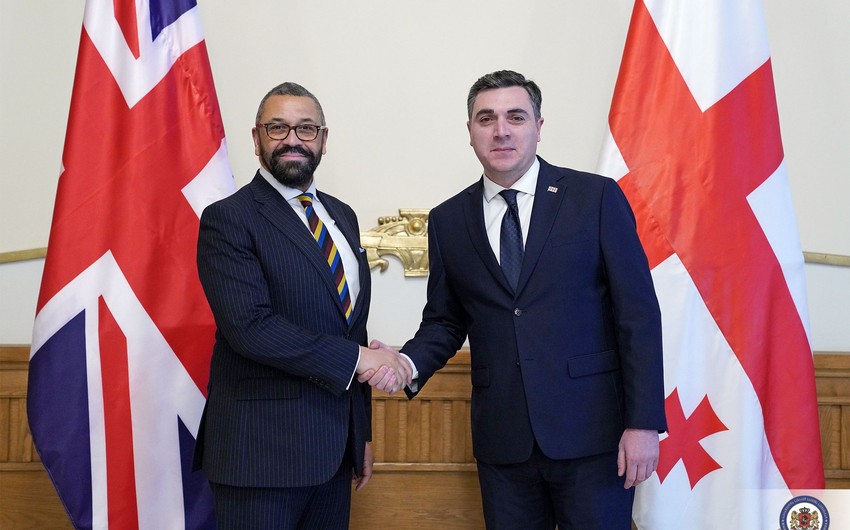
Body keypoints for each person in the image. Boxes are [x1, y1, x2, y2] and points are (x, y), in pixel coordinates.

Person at [364, 70, 667, 528]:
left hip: (593, 436)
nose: (501, 130)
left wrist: (642, 423)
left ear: (539, 126)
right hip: (504, 442)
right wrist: (405, 363)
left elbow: (637, 316)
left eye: (516, 117)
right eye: (486, 118)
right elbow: (446, 320)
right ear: (470, 131)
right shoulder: (449, 219)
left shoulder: (595, 198)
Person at [194, 81, 411, 529]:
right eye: (278, 128)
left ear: (323, 140)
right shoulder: (228, 218)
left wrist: (360, 434)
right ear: (256, 138)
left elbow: (350, 328)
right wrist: (360, 358)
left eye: (306, 128)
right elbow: (250, 327)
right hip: (260, 458)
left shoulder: (342, 215)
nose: (292, 139)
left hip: (333, 455)